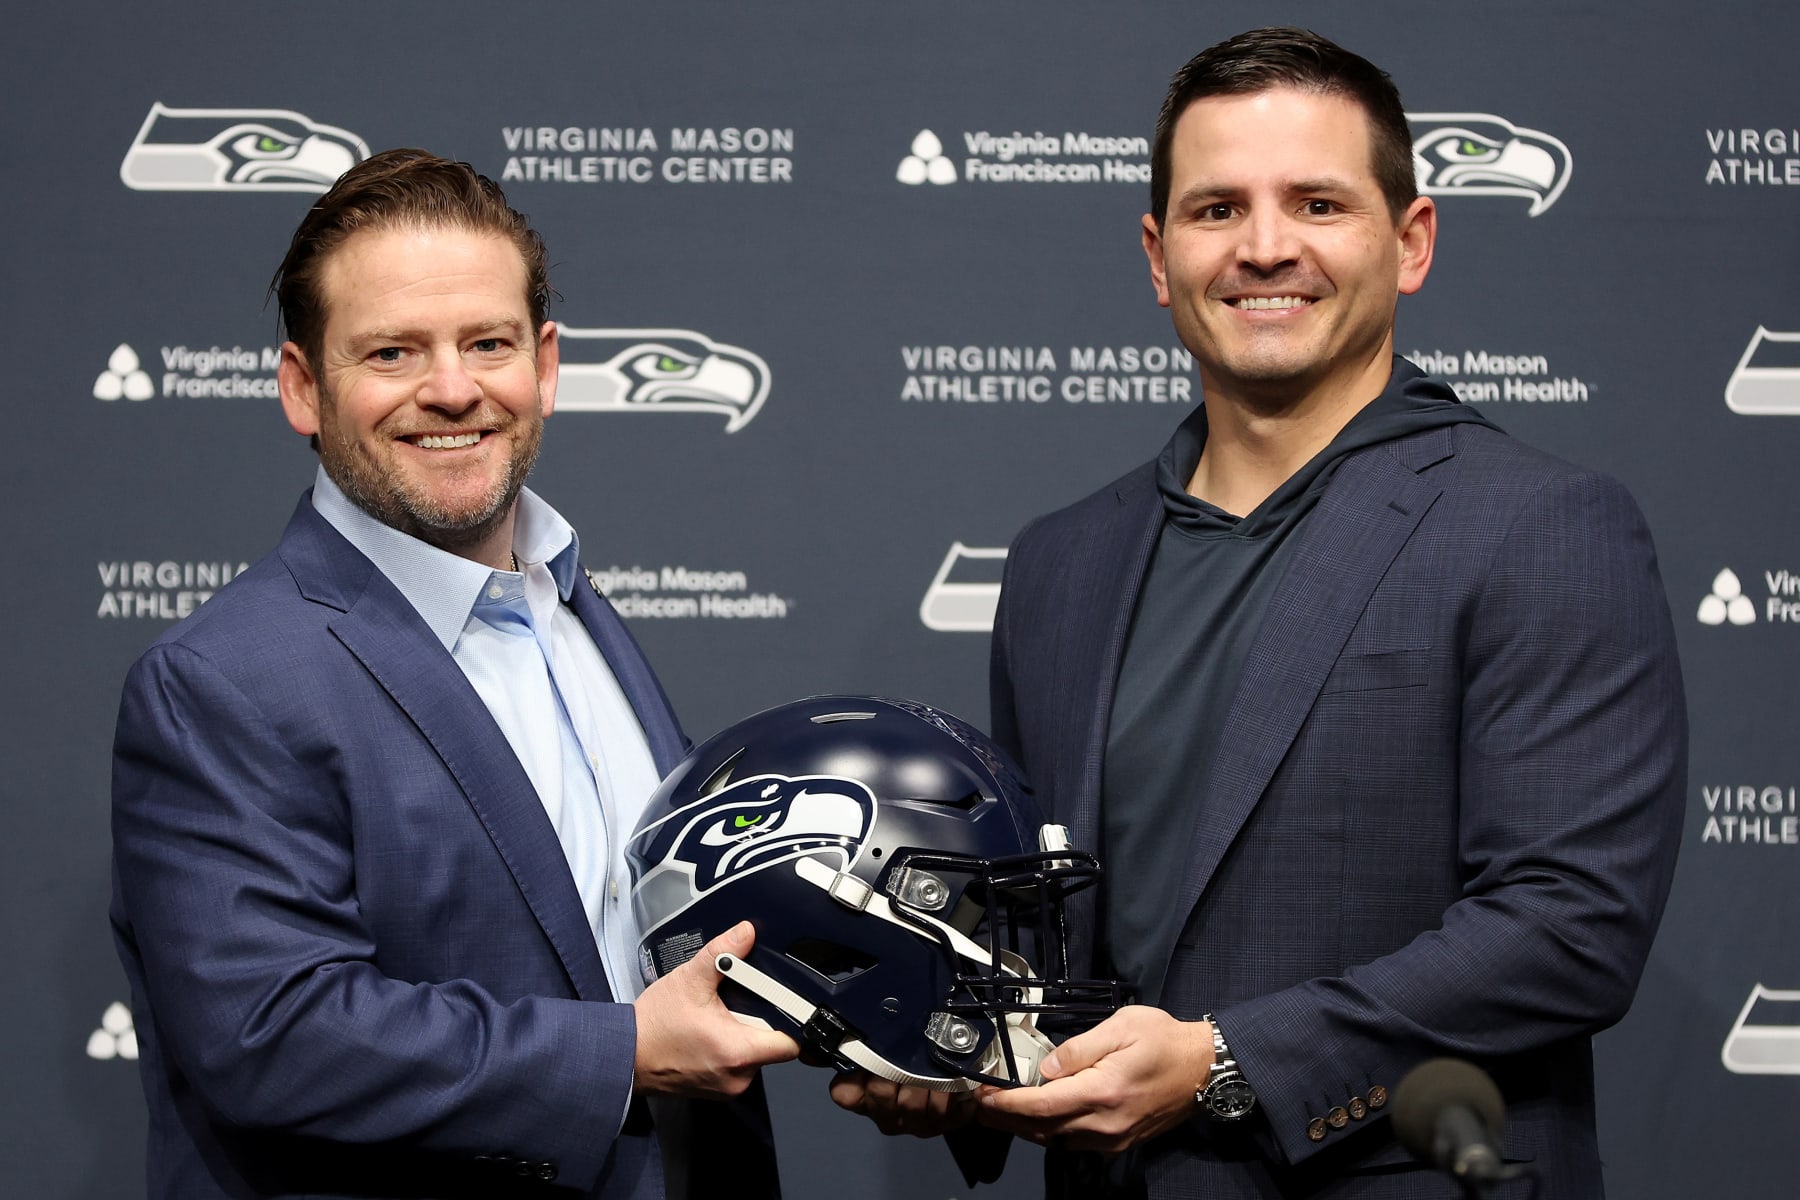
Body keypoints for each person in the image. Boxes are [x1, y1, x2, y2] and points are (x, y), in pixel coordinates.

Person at [835, 27, 1686, 1198]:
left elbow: (1570, 928)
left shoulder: (1542, 528)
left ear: (1414, 240)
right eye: (1217, 209)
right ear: (1157, 252)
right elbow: (1043, 935)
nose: (1265, 248)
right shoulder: (1060, 563)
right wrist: (957, 1056)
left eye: (1319, 204)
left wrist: (1224, 1062)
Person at [110, 149, 798, 1200]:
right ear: (304, 388)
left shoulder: (579, 617)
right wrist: (621, 1052)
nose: (451, 388)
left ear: (548, 365)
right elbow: (274, 1033)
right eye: (391, 352)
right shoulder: (219, 682)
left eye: (488, 342)